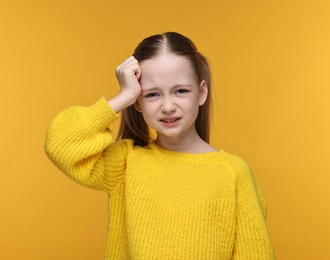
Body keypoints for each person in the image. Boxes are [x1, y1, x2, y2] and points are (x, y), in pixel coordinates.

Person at [45, 32, 275, 259]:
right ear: (137, 102)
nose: (167, 106)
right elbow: (61, 143)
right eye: (152, 94)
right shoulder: (126, 164)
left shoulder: (234, 173)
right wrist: (123, 96)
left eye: (181, 91)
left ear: (202, 92)